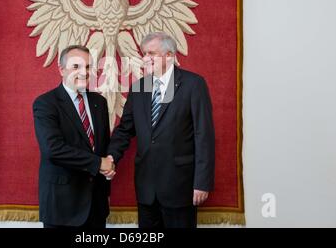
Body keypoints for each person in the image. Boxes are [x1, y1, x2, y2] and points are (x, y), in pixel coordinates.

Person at [105, 32, 215, 228]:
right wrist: (111, 156)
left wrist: (202, 183)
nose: (145, 58)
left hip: (180, 187)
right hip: (146, 189)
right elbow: (125, 129)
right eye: (144, 54)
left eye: (152, 54)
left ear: (170, 56)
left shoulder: (193, 84)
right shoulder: (139, 87)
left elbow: (203, 135)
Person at [33, 45, 115, 228]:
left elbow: (102, 147)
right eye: (76, 67)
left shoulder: (99, 102)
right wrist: (98, 163)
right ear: (62, 70)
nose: (84, 72)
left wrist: (107, 185)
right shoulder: (46, 103)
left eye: (87, 67)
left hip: (96, 206)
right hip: (63, 207)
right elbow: (53, 149)